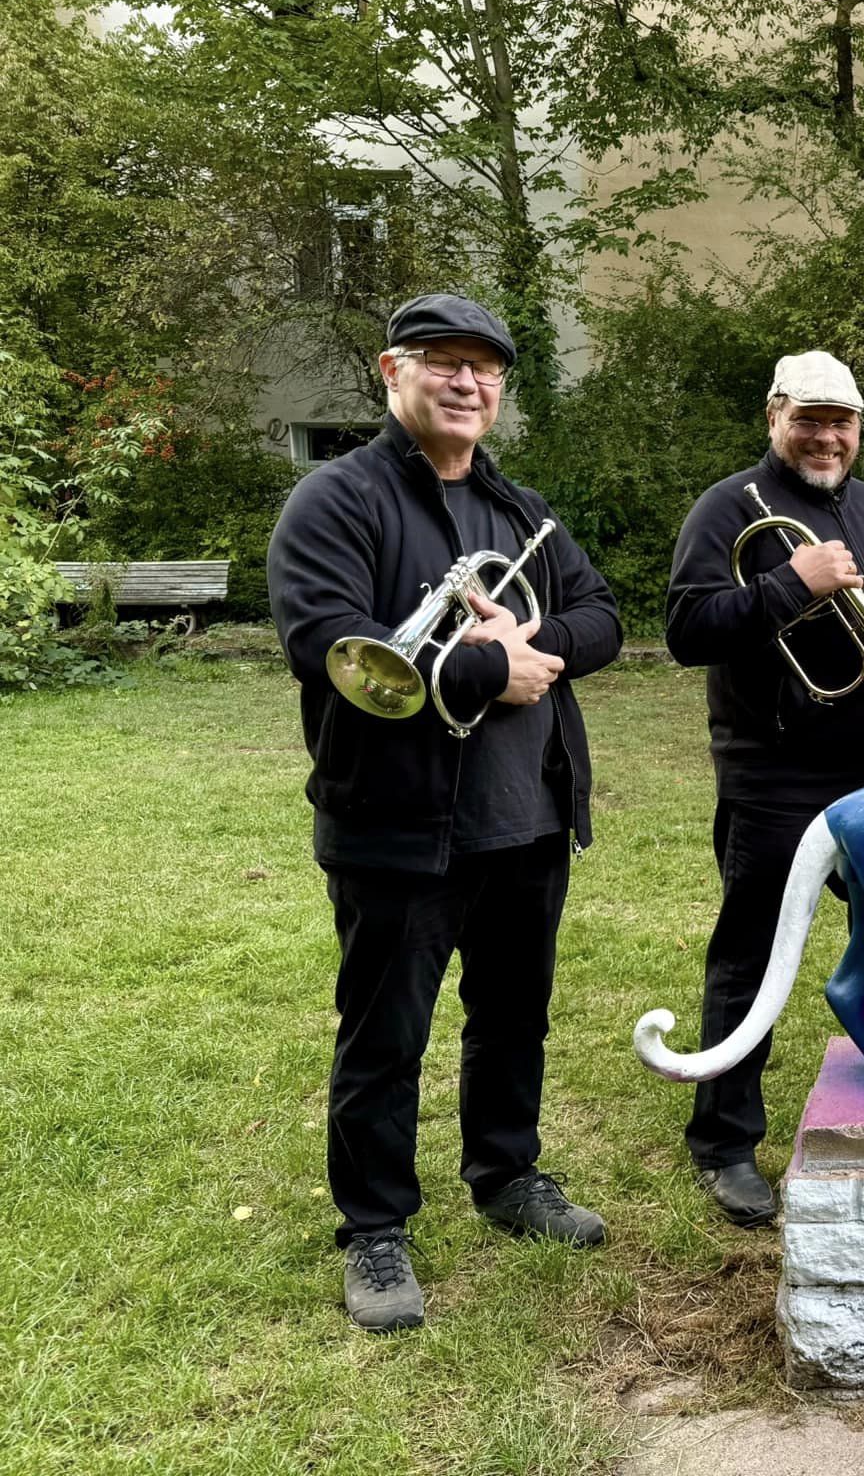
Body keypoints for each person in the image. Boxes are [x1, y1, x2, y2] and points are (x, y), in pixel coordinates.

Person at [268, 293, 624, 1333]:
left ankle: (506, 1175)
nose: (467, 382)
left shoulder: (520, 511)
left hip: (526, 818)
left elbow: (601, 615)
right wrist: (481, 666)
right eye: (444, 362)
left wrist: (536, 641)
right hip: (395, 823)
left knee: (514, 1016)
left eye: (486, 369)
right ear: (392, 372)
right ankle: (374, 1229)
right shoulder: (335, 501)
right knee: (385, 1035)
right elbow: (324, 645)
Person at [665, 351, 864, 1226]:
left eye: (842, 421)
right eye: (809, 417)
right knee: (753, 955)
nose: (827, 435)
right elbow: (688, 628)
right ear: (774, 414)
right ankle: (724, 1141)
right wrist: (791, 584)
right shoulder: (728, 508)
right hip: (778, 775)